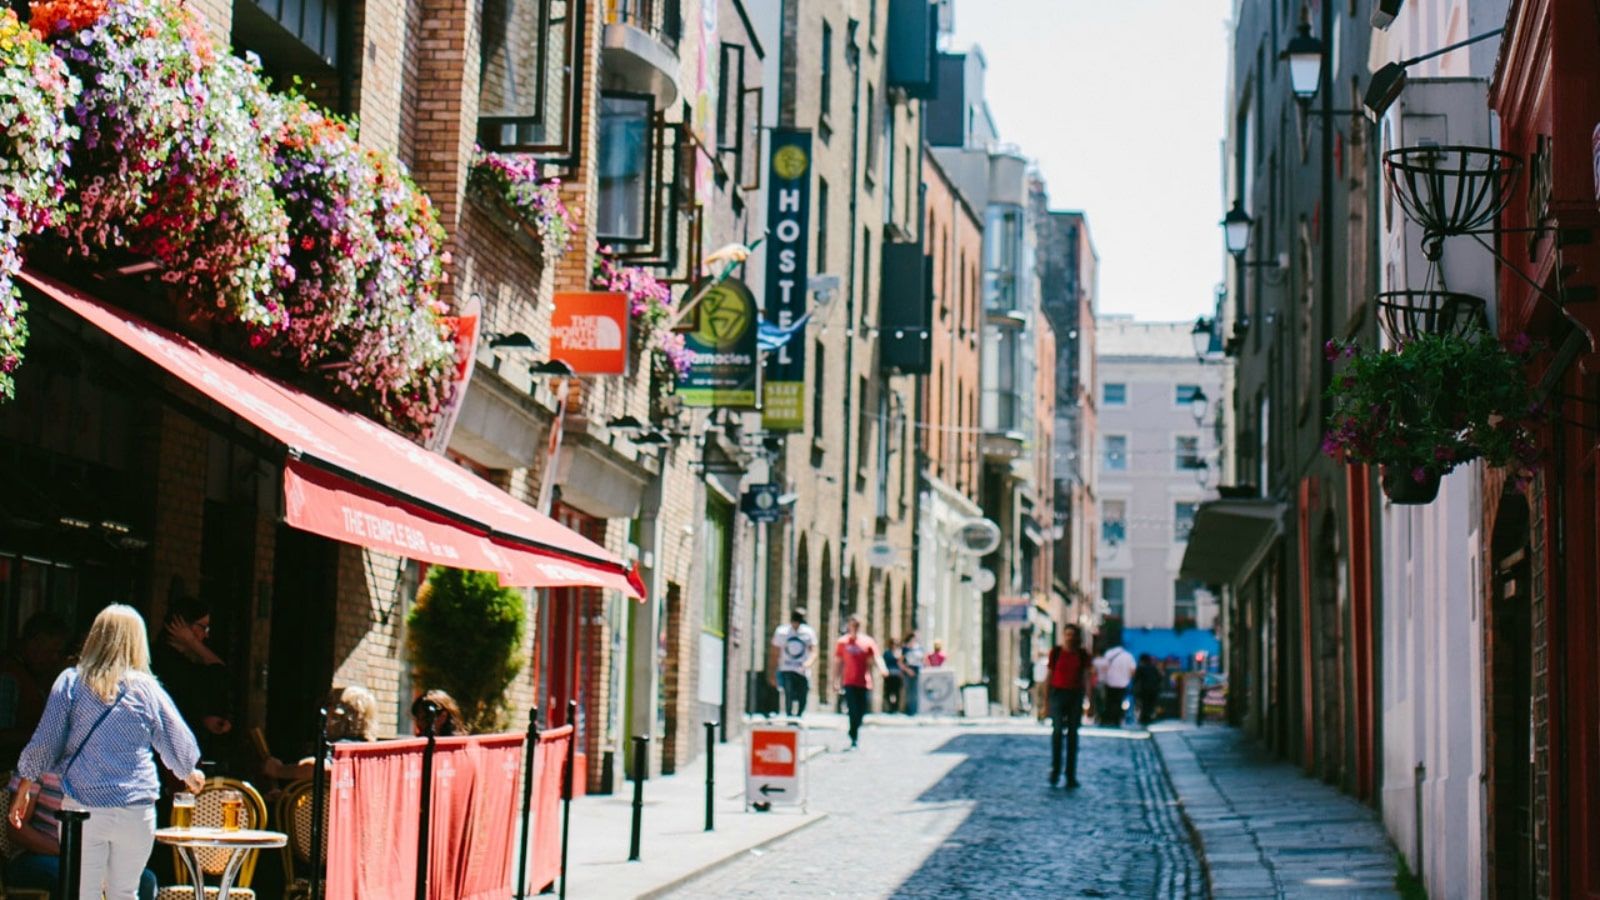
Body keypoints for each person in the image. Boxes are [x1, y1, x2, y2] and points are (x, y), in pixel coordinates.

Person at [13, 604, 204, 900]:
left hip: (83, 807)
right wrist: (188, 772)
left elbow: (46, 741)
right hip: (136, 808)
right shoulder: (147, 688)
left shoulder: (71, 681)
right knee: (125, 893)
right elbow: (178, 741)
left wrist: (25, 784)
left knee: (84, 893)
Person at [3, 773, 158, 900]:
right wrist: (66, 850)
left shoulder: (107, 767)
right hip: (36, 856)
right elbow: (15, 828)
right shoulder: (42, 759)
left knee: (145, 880)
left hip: (91, 855)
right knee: (71, 878)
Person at [150, 596, 232, 768]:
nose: (205, 634)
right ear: (183, 626)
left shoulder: (180, 661)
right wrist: (193, 642)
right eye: (203, 627)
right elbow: (219, 672)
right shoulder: (166, 660)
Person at [263, 686, 380, 781]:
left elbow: (323, 768)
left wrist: (279, 770)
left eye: (329, 705)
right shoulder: (368, 750)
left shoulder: (344, 747)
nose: (325, 712)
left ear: (339, 716)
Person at [0, 612, 71, 770]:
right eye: (52, 651)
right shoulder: (8, 677)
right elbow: (3, 734)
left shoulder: (42, 677)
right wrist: (46, 736)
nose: (55, 658)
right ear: (34, 644)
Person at [1046, 625, 1092, 788]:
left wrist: (1089, 700)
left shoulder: (1082, 655)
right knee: (1057, 732)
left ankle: (1070, 775)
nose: (1070, 638)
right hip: (1058, 695)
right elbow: (1049, 676)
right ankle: (1055, 771)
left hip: (1075, 696)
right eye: (1067, 634)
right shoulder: (1056, 653)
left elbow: (1087, 676)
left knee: (1073, 735)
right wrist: (1046, 701)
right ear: (1063, 636)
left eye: (1073, 635)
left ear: (1077, 637)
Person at [831, 616, 886, 750]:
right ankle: (854, 736)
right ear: (849, 626)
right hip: (849, 681)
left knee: (861, 711)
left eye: (857, 625)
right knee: (852, 709)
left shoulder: (867, 641)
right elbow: (838, 662)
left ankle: (854, 728)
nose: (854, 628)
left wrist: (883, 669)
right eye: (852, 625)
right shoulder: (843, 642)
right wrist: (835, 680)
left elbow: (877, 657)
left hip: (864, 682)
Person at [768, 608, 818, 717]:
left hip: (802, 670)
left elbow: (814, 651)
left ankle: (799, 715)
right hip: (787, 668)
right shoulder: (782, 632)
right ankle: (789, 715)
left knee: (803, 695)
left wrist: (808, 663)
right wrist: (772, 671)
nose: (797, 625)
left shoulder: (808, 633)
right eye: (795, 622)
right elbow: (775, 652)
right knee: (788, 692)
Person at [1098, 640, 1137, 727]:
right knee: (1119, 702)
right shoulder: (1128, 656)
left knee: (1109, 701)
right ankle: (1117, 720)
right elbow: (1133, 670)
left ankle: (1109, 719)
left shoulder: (1108, 654)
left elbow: (1103, 667)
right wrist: (1128, 678)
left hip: (1109, 682)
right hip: (1123, 683)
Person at [1133, 654, 1165, 726]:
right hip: (1154, 689)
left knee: (1144, 704)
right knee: (1151, 704)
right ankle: (1148, 718)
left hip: (1144, 690)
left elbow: (1136, 679)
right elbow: (1160, 678)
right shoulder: (1154, 668)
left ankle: (1143, 718)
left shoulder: (1141, 668)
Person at [900, 633, 924, 716]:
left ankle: (916, 709)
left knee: (917, 691)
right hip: (908, 671)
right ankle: (909, 710)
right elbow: (900, 662)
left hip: (918, 670)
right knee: (909, 692)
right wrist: (907, 670)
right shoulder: (905, 649)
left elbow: (923, 660)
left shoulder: (919, 648)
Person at [881, 640, 904, 714]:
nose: (894, 646)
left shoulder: (899, 653)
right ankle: (889, 707)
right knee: (888, 692)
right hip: (889, 675)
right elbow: (883, 663)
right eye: (892, 644)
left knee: (896, 692)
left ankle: (895, 707)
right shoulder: (887, 653)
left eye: (895, 644)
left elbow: (901, 663)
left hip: (897, 675)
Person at [1031, 649, 1051, 722]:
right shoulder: (1044, 663)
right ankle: (1042, 715)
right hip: (1043, 682)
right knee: (1043, 700)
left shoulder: (1039, 663)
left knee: (1039, 700)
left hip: (1039, 682)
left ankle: (1040, 715)